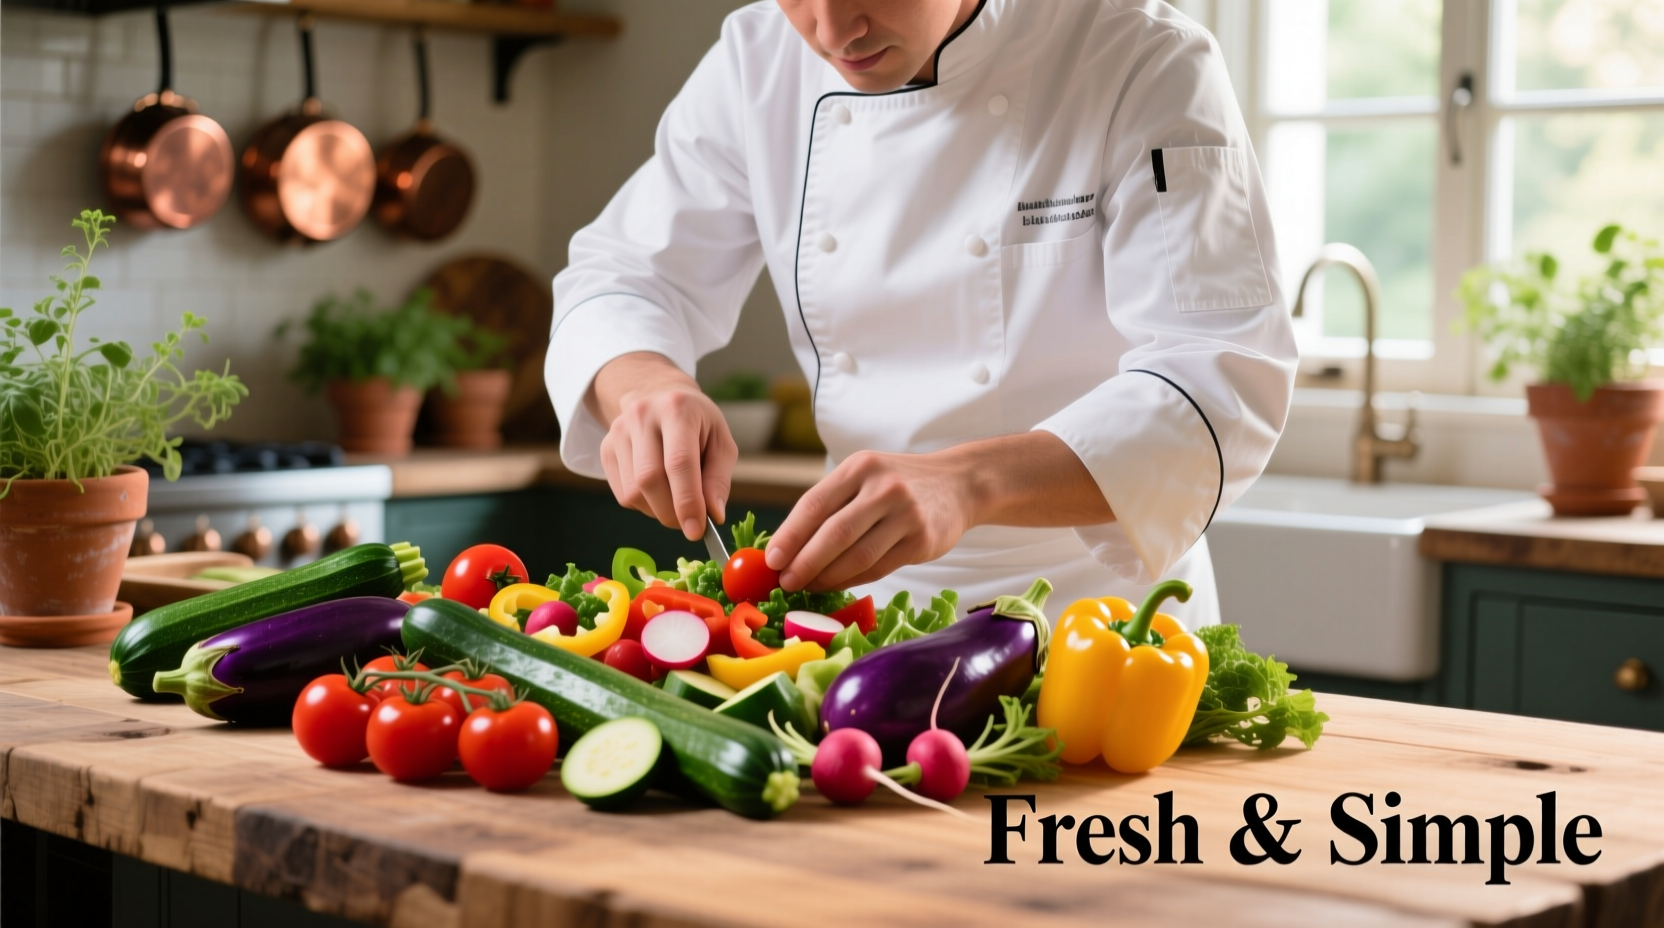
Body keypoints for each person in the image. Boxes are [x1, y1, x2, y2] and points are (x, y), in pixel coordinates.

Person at [546, 0, 1297, 625]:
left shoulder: (1141, 58)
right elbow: (625, 274)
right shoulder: (757, 61)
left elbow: (1220, 384)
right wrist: (644, 385)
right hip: (860, 624)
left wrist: (969, 482)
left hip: (1094, 623)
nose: (836, 30)